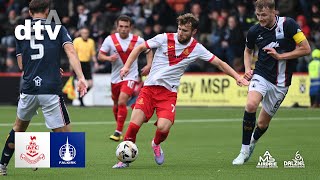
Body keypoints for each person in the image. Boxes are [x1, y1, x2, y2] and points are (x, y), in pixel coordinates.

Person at [112, 13, 249, 169]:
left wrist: (237, 77)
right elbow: (140, 48)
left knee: (163, 127)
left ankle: (156, 144)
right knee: (134, 125)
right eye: (179, 28)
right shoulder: (164, 38)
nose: (181, 33)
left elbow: (219, 63)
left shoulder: (196, 48)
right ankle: (124, 160)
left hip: (168, 94)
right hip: (149, 89)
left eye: (185, 30)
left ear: (193, 32)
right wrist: (126, 66)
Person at [0, 0, 87, 176]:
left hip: (29, 88)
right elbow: (70, 52)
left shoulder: (20, 31)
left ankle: (2, 165)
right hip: (49, 89)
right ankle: (34, 154)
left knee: (18, 127)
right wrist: (81, 77)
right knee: (65, 138)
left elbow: (21, 64)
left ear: (30, 13)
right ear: (47, 11)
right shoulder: (58, 29)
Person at [232, 0, 311, 165]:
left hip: (281, 82)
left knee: (262, 123)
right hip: (261, 74)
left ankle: (252, 141)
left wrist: (280, 56)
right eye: (258, 15)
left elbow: (305, 48)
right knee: (251, 105)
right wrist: (247, 69)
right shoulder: (254, 31)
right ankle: (243, 150)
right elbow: (248, 51)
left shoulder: (288, 25)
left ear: (274, 12)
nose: (260, 18)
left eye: (264, 15)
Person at [98, 15, 153, 142]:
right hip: (115, 78)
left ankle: (118, 132)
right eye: (121, 26)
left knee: (122, 101)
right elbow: (100, 55)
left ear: (131, 28)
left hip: (130, 76)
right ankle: (120, 126)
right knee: (116, 104)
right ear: (117, 27)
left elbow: (149, 50)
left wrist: (149, 65)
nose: (123, 29)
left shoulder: (137, 40)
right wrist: (108, 58)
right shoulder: (110, 39)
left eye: (126, 27)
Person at [73, 27, 98, 106]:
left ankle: (81, 97)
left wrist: (95, 62)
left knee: (90, 84)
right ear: (80, 33)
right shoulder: (76, 41)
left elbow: (92, 54)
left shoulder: (91, 41)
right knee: (80, 83)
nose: (85, 34)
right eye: (83, 33)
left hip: (87, 64)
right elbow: (73, 53)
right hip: (79, 64)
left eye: (86, 33)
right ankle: (81, 100)